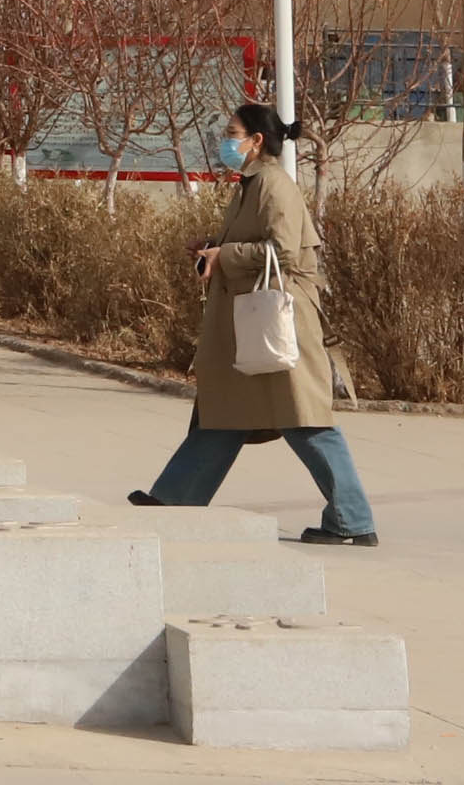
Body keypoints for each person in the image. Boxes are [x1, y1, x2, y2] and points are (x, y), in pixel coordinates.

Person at [127, 102, 380, 546]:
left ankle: (352, 521)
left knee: (305, 420)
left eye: (232, 133)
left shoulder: (274, 185)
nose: (224, 141)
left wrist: (224, 255)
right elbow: (255, 243)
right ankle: (175, 500)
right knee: (223, 415)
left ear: (256, 140)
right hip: (251, 322)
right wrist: (212, 247)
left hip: (281, 322)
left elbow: (283, 252)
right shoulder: (251, 184)